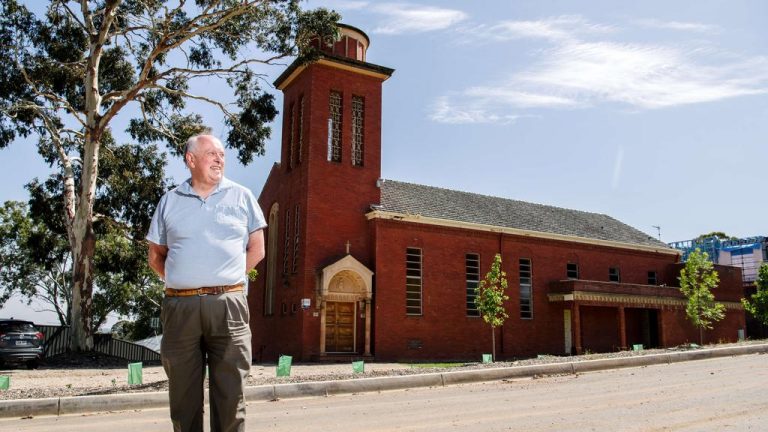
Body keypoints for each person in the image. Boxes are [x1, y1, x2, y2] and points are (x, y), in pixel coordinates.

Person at [147, 134, 266, 432]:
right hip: (180, 309)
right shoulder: (169, 201)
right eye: (211, 153)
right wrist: (183, 283)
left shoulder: (242, 196)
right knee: (183, 399)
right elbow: (156, 256)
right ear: (191, 160)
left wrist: (228, 281)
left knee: (230, 398)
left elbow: (257, 249)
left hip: (229, 307)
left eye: (222, 154)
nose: (219, 159)